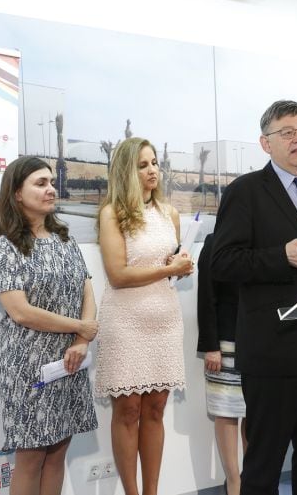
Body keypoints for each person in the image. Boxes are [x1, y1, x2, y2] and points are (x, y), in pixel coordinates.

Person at [212, 100, 297, 495]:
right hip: (275, 350)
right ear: (265, 143)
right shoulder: (246, 191)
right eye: (287, 132)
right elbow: (222, 262)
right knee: (264, 464)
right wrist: (280, 257)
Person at [0, 156, 98, 495]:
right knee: (32, 455)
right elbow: (20, 311)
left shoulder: (66, 241)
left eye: (51, 182)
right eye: (40, 183)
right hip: (27, 366)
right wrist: (80, 326)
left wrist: (81, 341)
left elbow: (86, 288)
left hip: (69, 361)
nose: (50, 189)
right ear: (17, 193)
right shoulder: (4, 247)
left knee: (58, 450)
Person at [95, 137, 194, 495]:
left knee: (155, 407)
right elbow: (118, 275)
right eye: (142, 165)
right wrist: (164, 269)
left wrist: (180, 268)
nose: (152, 170)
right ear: (126, 171)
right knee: (128, 411)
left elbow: (169, 266)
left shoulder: (169, 213)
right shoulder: (112, 214)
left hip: (164, 318)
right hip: (126, 320)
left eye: (154, 163)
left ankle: (151, 492)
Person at [197, 232, 247, 495]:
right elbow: (206, 296)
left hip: (260, 342)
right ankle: (234, 482)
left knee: (256, 414)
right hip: (225, 342)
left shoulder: (263, 240)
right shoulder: (215, 241)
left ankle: (252, 478)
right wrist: (211, 346)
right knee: (227, 410)